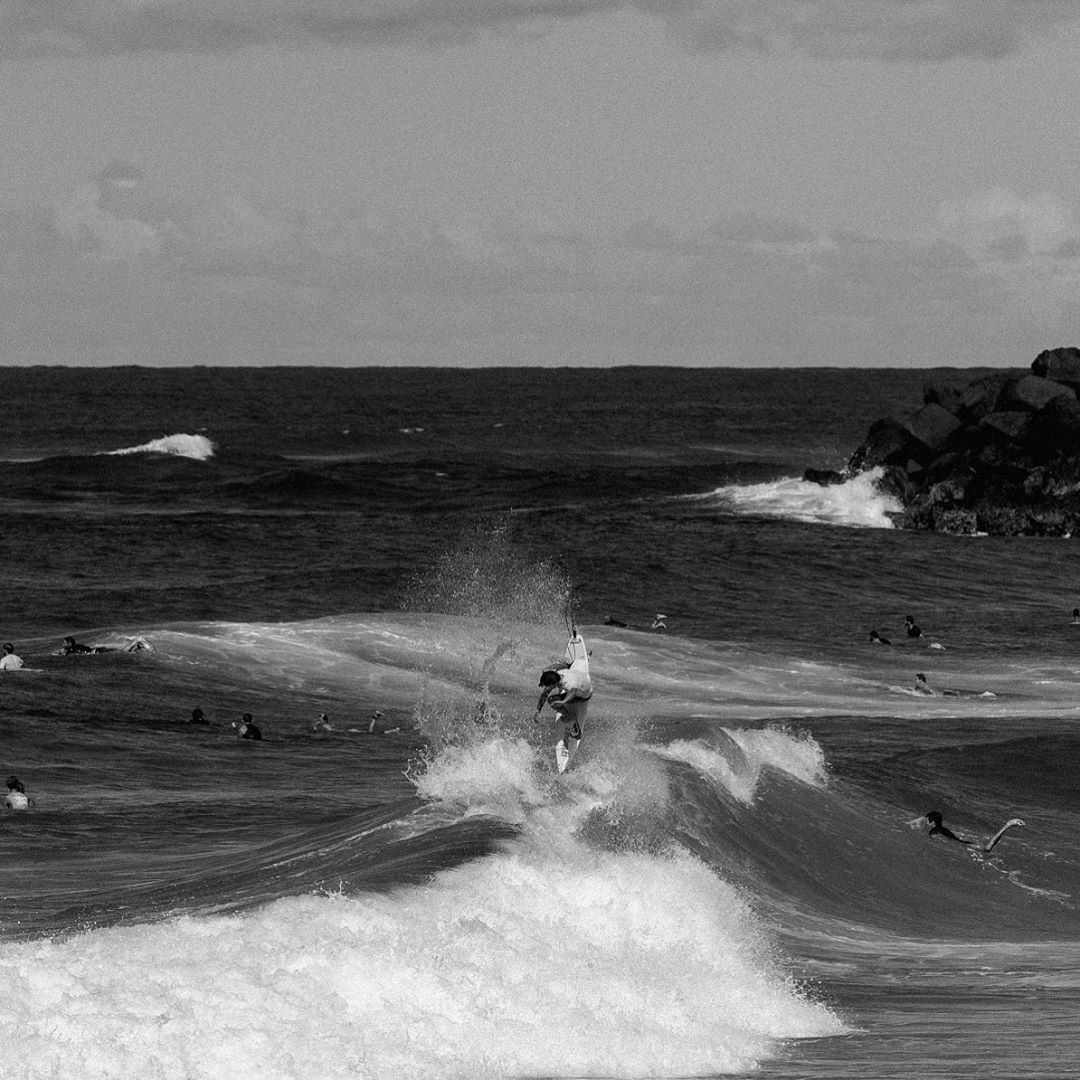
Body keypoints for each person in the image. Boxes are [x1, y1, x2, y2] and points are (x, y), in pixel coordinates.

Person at [534, 624, 592, 757]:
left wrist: (563, 701)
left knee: (552, 700)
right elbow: (563, 665)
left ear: (553, 683)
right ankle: (566, 708)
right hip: (584, 677)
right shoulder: (561, 672)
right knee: (552, 695)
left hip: (585, 694)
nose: (546, 689)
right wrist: (537, 711)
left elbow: (573, 691)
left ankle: (572, 722)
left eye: (548, 686)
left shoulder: (568, 684)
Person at [923, 810, 1025, 852]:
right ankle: (1008, 825)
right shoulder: (943, 828)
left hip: (962, 845)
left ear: (931, 822)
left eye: (927, 820)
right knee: (988, 846)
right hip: (963, 842)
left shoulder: (934, 831)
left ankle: (1008, 824)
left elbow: (937, 843)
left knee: (987, 848)